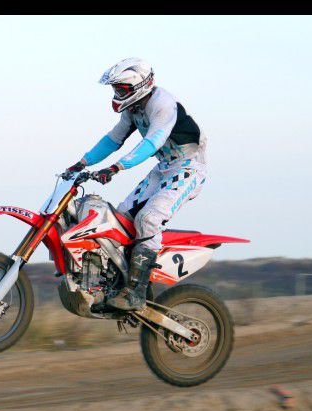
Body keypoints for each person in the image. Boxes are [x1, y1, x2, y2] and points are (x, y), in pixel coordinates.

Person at [64, 58, 207, 310]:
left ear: (139, 86)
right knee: (119, 220)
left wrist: (117, 168)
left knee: (148, 219)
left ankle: (136, 293)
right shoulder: (134, 109)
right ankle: (115, 285)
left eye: (121, 89)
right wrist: (82, 163)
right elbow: (113, 140)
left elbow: (152, 143)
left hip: (188, 169)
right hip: (163, 168)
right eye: (115, 89)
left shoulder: (162, 104)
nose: (117, 94)